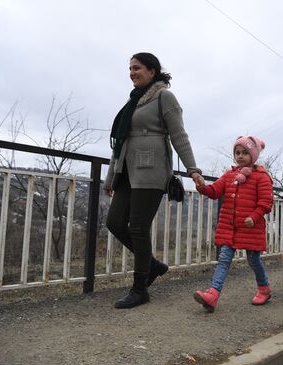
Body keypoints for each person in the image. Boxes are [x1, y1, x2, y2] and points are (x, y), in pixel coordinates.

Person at [103, 52, 205, 309]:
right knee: (114, 222)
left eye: (136, 68)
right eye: (129, 69)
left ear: (152, 70)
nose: (131, 73)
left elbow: (179, 135)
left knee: (138, 227)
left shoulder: (164, 97)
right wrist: (110, 176)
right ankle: (154, 266)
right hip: (126, 170)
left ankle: (140, 289)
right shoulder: (133, 101)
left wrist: (193, 169)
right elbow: (120, 142)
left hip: (151, 170)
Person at [193, 136, 273, 312]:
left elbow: (266, 202)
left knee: (253, 260)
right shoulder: (230, 175)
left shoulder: (261, 177)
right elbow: (215, 191)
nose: (240, 156)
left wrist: (254, 216)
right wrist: (201, 186)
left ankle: (264, 289)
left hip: (251, 228)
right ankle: (212, 295)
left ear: (253, 155)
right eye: (237, 152)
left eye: (245, 152)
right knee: (223, 259)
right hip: (229, 228)